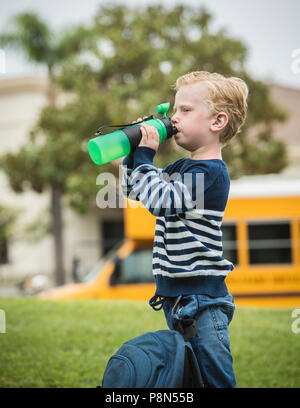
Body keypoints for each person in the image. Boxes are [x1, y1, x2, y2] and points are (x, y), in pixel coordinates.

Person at [120, 70, 248, 388]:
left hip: (202, 301)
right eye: (174, 110)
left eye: (185, 111)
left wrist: (147, 157)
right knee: (187, 378)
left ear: (217, 122)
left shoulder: (210, 173)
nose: (174, 118)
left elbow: (159, 201)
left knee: (214, 379)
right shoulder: (181, 168)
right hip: (176, 298)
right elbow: (134, 191)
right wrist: (133, 154)